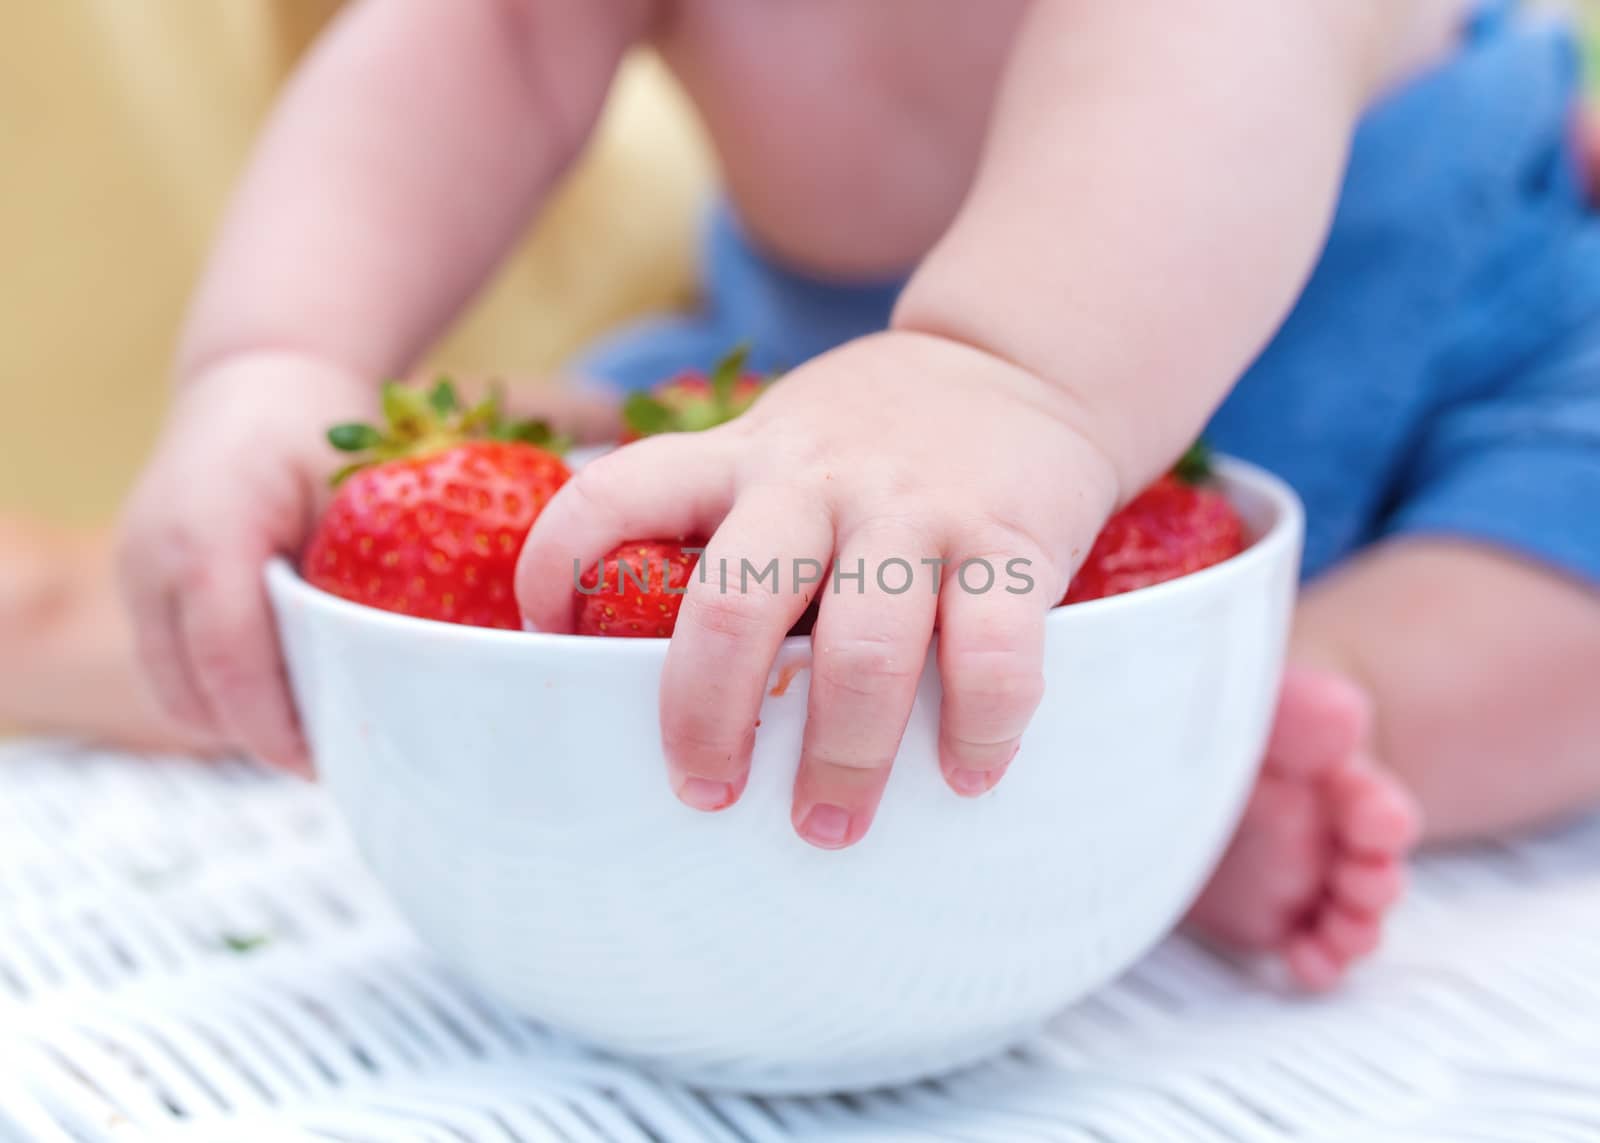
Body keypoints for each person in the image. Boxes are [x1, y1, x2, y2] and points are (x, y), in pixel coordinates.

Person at [118, 0, 1600, 990]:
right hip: (838, 411)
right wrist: (279, 357)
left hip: (1454, 334)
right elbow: (488, 41)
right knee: (603, 523)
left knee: (1559, 575)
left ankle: (1260, 722)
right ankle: (1044, 742)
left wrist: (997, 375)